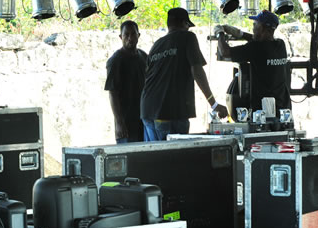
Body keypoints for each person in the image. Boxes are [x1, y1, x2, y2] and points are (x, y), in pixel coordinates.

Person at [140, 8, 228, 141]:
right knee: (173, 157)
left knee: (154, 157)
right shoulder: (187, 37)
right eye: (188, 25)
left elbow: (148, 76)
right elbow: (197, 71)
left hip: (147, 109)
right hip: (168, 111)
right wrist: (213, 104)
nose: (188, 29)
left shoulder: (157, 45)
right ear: (183, 23)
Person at [216, 10, 292, 114]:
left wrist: (219, 34)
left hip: (262, 111)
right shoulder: (280, 45)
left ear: (262, 28)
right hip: (283, 108)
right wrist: (241, 34)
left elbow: (225, 52)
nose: (253, 27)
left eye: (255, 24)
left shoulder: (256, 48)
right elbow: (258, 40)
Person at [105, 20, 147, 143]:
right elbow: (112, 93)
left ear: (138, 35)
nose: (130, 38)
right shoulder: (115, 61)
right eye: (126, 35)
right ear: (120, 37)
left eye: (133, 34)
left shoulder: (144, 57)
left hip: (144, 119)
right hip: (126, 123)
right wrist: (119, 122)